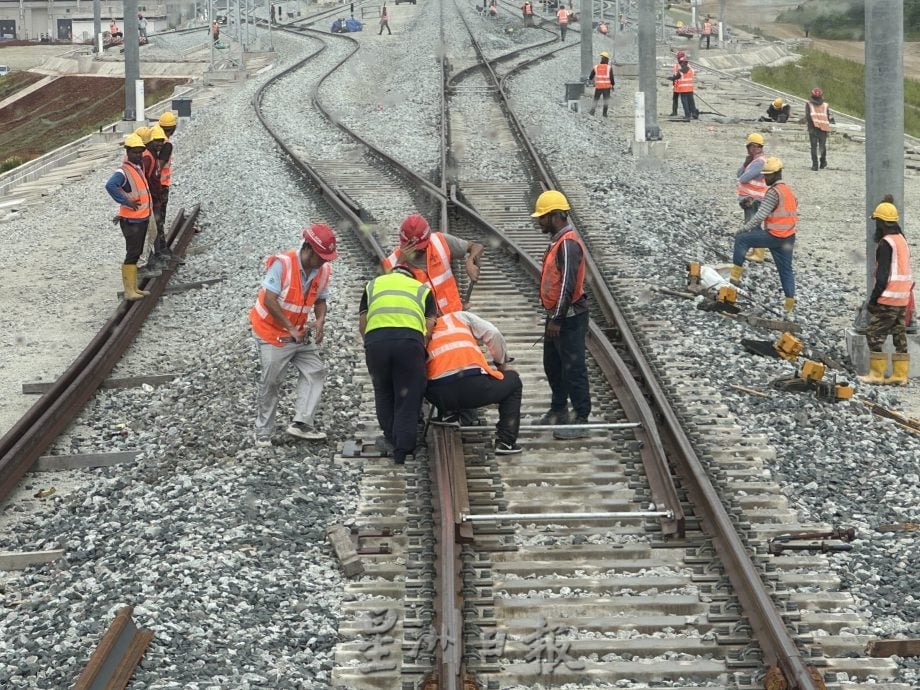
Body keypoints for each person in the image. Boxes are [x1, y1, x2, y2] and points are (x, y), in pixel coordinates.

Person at [250, 225, 338, 447]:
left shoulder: (324, 270)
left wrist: (319, 321)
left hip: (298, 334)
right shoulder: (283, 264)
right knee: (271, 382)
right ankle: (263, 432)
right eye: (321, 257)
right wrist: (290, 328)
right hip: (273, 334)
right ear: (308, 248)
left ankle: (301, 423)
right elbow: (270, 299)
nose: (325, 262)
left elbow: (320, 300)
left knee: (315, 371)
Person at [360, 266, 437, 464]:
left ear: (391, 274)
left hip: (376, 341)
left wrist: (371, 345)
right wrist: (420, 348)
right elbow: (428, 328)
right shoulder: (422, 289)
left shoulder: (372, 286)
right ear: (411, 276)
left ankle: (390, 438)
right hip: (409, 341)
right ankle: (404, 448)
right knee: (408, 394)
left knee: (383, 390)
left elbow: (363, 322)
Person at [531, 190, 591, 440]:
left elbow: (567, 284)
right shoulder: (558, 241)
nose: (539, 221)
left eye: (543, 217)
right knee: (553, 366)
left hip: (568, 319)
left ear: (556, 216)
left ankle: (581, 418)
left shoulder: (567, 244)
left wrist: (556, 319)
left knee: (573, 368)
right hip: (557, 316)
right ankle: (559, 410)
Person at [426, 312, 522, 454]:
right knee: (513, 381)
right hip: (474, 390)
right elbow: (493, 333)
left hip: (438, 395)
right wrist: (501, 364)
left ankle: (449, 414)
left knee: (443, 379)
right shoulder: (458, 317)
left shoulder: (418, 327)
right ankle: (506, 442)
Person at [730, 157, 798, 318]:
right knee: (786, 270)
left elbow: (760, 215)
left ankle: (734, 278)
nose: (765, 178)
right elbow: (792, 205)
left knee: (742, 239)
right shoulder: (787, 191)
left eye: (767, 175)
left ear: (776, 174)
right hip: (788, 237)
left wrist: (743, 229)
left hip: (774, 235)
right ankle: (789, 306)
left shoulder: (774, 192)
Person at [382, 214, 484, 315]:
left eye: (422, 248)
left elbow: (476, 247)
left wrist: (470, 261)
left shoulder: (440, 241)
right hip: (423, 325)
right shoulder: (391, 264)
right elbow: (389, 302)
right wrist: (400, 263)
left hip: (453, 315)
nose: (418, 251)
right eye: (413, 248)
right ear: (403, 243)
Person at [859, 197, 914, 386]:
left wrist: (873, 300)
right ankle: (900, 375)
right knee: (899, 334)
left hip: (889, 297)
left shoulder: (886, 243)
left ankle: (876, 374)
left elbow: (882, 276)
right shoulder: (902, 240)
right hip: (903, 297)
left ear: (881, 223)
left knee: (873, 333)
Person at [105, 134, 153, 301]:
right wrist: (126, 201)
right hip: (131, 220)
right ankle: (129, 290)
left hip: (140, 218)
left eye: (140, 151)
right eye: (135, 152)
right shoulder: (123, 171)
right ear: (127, 152)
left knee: (136, 251)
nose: (138, 155)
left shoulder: (137, 168)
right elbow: (110, 186)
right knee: (132, 252)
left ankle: (134, 288)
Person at [155, 111, 183, 265]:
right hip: (160, 187)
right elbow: (158, 168)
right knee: (159, 219)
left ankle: (159, 250)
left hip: (154, 186)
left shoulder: (155, 138)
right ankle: (161, 252)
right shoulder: (165, 144)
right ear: (173, 128)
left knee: (156, 220)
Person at [737, 133, 768, 263]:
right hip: (750, 199)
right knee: (751, 224)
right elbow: (739, 173)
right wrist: (745, 164)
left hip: (755, 199)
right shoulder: (753, 161)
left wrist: (746, 168)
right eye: (752, 146)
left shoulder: (759, 162)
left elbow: (743, 178)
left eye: (757, 146)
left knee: (754, 225)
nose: (754, 149)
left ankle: (759, 253)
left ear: (761, 147)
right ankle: (755, 250)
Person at [805, 87, 833, 170]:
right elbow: (827, 116)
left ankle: (815, 165)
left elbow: (808, 116)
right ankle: (823, 162)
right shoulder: (825, 105)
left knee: (813, 147)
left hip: (813, 127)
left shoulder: (809, 104)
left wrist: (810, 127)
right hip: (823, 127)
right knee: (822, 146)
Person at [668, 53, 698, 121]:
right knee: (691, 101)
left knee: (685, 102)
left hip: (682, 88)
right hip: (689, 88)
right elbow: (692, 74)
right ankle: (694, 113)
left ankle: (687, 115)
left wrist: (671, 78)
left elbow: (677, 76)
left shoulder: (681, 69)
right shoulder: (690, 68)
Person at [588, 51, 614, 118]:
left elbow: (591, 76)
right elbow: (611, 78)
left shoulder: (596, 67)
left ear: (601, 59)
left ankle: (592, 111)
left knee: (596, 99)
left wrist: (591, 79)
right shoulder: (609, 67)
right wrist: (613, 85)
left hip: (598, 87)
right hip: (606, 87)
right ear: (607, 60)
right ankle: (604, 114)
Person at [669, 51, 686, 118]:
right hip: (676, 85)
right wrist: (673, 81)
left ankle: (686, 113)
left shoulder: (685, 65)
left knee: (684, 100)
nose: (678, 59)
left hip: (682, 86)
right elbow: (675, 74)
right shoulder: (676, 65)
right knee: (675, 99)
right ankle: (674, 112)